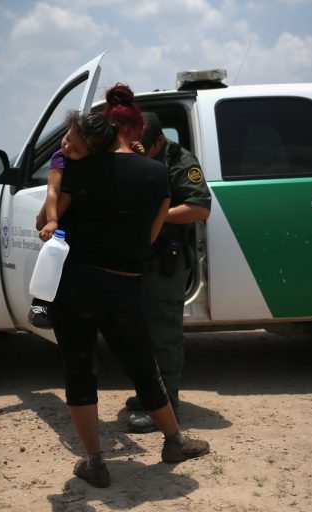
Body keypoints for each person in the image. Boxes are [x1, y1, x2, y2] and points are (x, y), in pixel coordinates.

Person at [48, 84, 210, 488]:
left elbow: (46, 224)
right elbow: (150, 236)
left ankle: (95, 462)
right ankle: (174, 442)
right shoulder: (157, 172)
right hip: (123, 286)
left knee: (80, 371)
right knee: (143, 366)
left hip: (73, 286)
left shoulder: (77, 171)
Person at [125, 112, 212, 433]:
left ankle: (167, 407)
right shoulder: (133, 153)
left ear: (159, 141)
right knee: (140, 334)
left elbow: (201, 208)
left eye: (142, 148)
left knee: (163, 334)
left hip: (165, 261)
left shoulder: (178, 159)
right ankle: (150, 396)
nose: (135, 152)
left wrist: (156, 219)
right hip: (137, 259)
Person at [27, 112, 108, 328]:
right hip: (61, 224)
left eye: (76, 149)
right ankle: (38, 307)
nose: (67, 147)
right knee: (49, 265)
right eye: (67, 138)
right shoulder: (60, 158)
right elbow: (52, 190)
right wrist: (52, 221)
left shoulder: (95, 164)